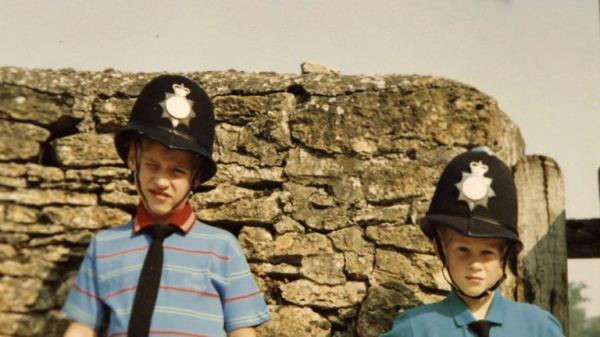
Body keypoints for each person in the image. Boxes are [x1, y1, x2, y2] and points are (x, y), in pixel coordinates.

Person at [62, 75, 271, 337]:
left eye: (177, 171)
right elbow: (82, 328)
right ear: (131, 159)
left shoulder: (221, 248)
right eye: (151, 165)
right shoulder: (105, 247)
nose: (161, 181)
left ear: (195, 177)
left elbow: (243, 331)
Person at [380, 146, 565, 337]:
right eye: (463, 249)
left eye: (487, 252)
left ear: (505, 255)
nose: (475, 265)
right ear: (439, 249)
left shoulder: (538, 328)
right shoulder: (415, 329)